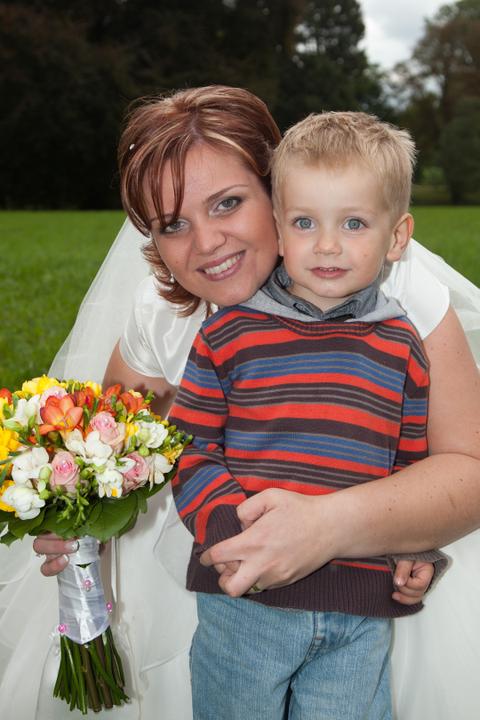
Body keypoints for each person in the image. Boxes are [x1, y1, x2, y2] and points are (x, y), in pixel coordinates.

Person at [1, 86, 479, 720]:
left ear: (276, 191)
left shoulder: (384, 280)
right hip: (225, 564)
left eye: (228, 203)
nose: (206, 244)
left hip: (370, 565)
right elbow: (112, 444)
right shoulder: (166, 316)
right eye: (173, 224)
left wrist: (333, 527)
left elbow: (460, 464)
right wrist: (82, 513)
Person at [168, 110, 447, 719]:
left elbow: (410, 467)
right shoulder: (229, 335)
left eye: (354, 223)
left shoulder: (402, 344)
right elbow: (188, 448)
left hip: (359, 609)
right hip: (246, 604)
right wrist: (231, 531)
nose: (326, 245)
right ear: (278, 227)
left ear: (397, 236)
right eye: (304, 222)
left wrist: (417, 548)